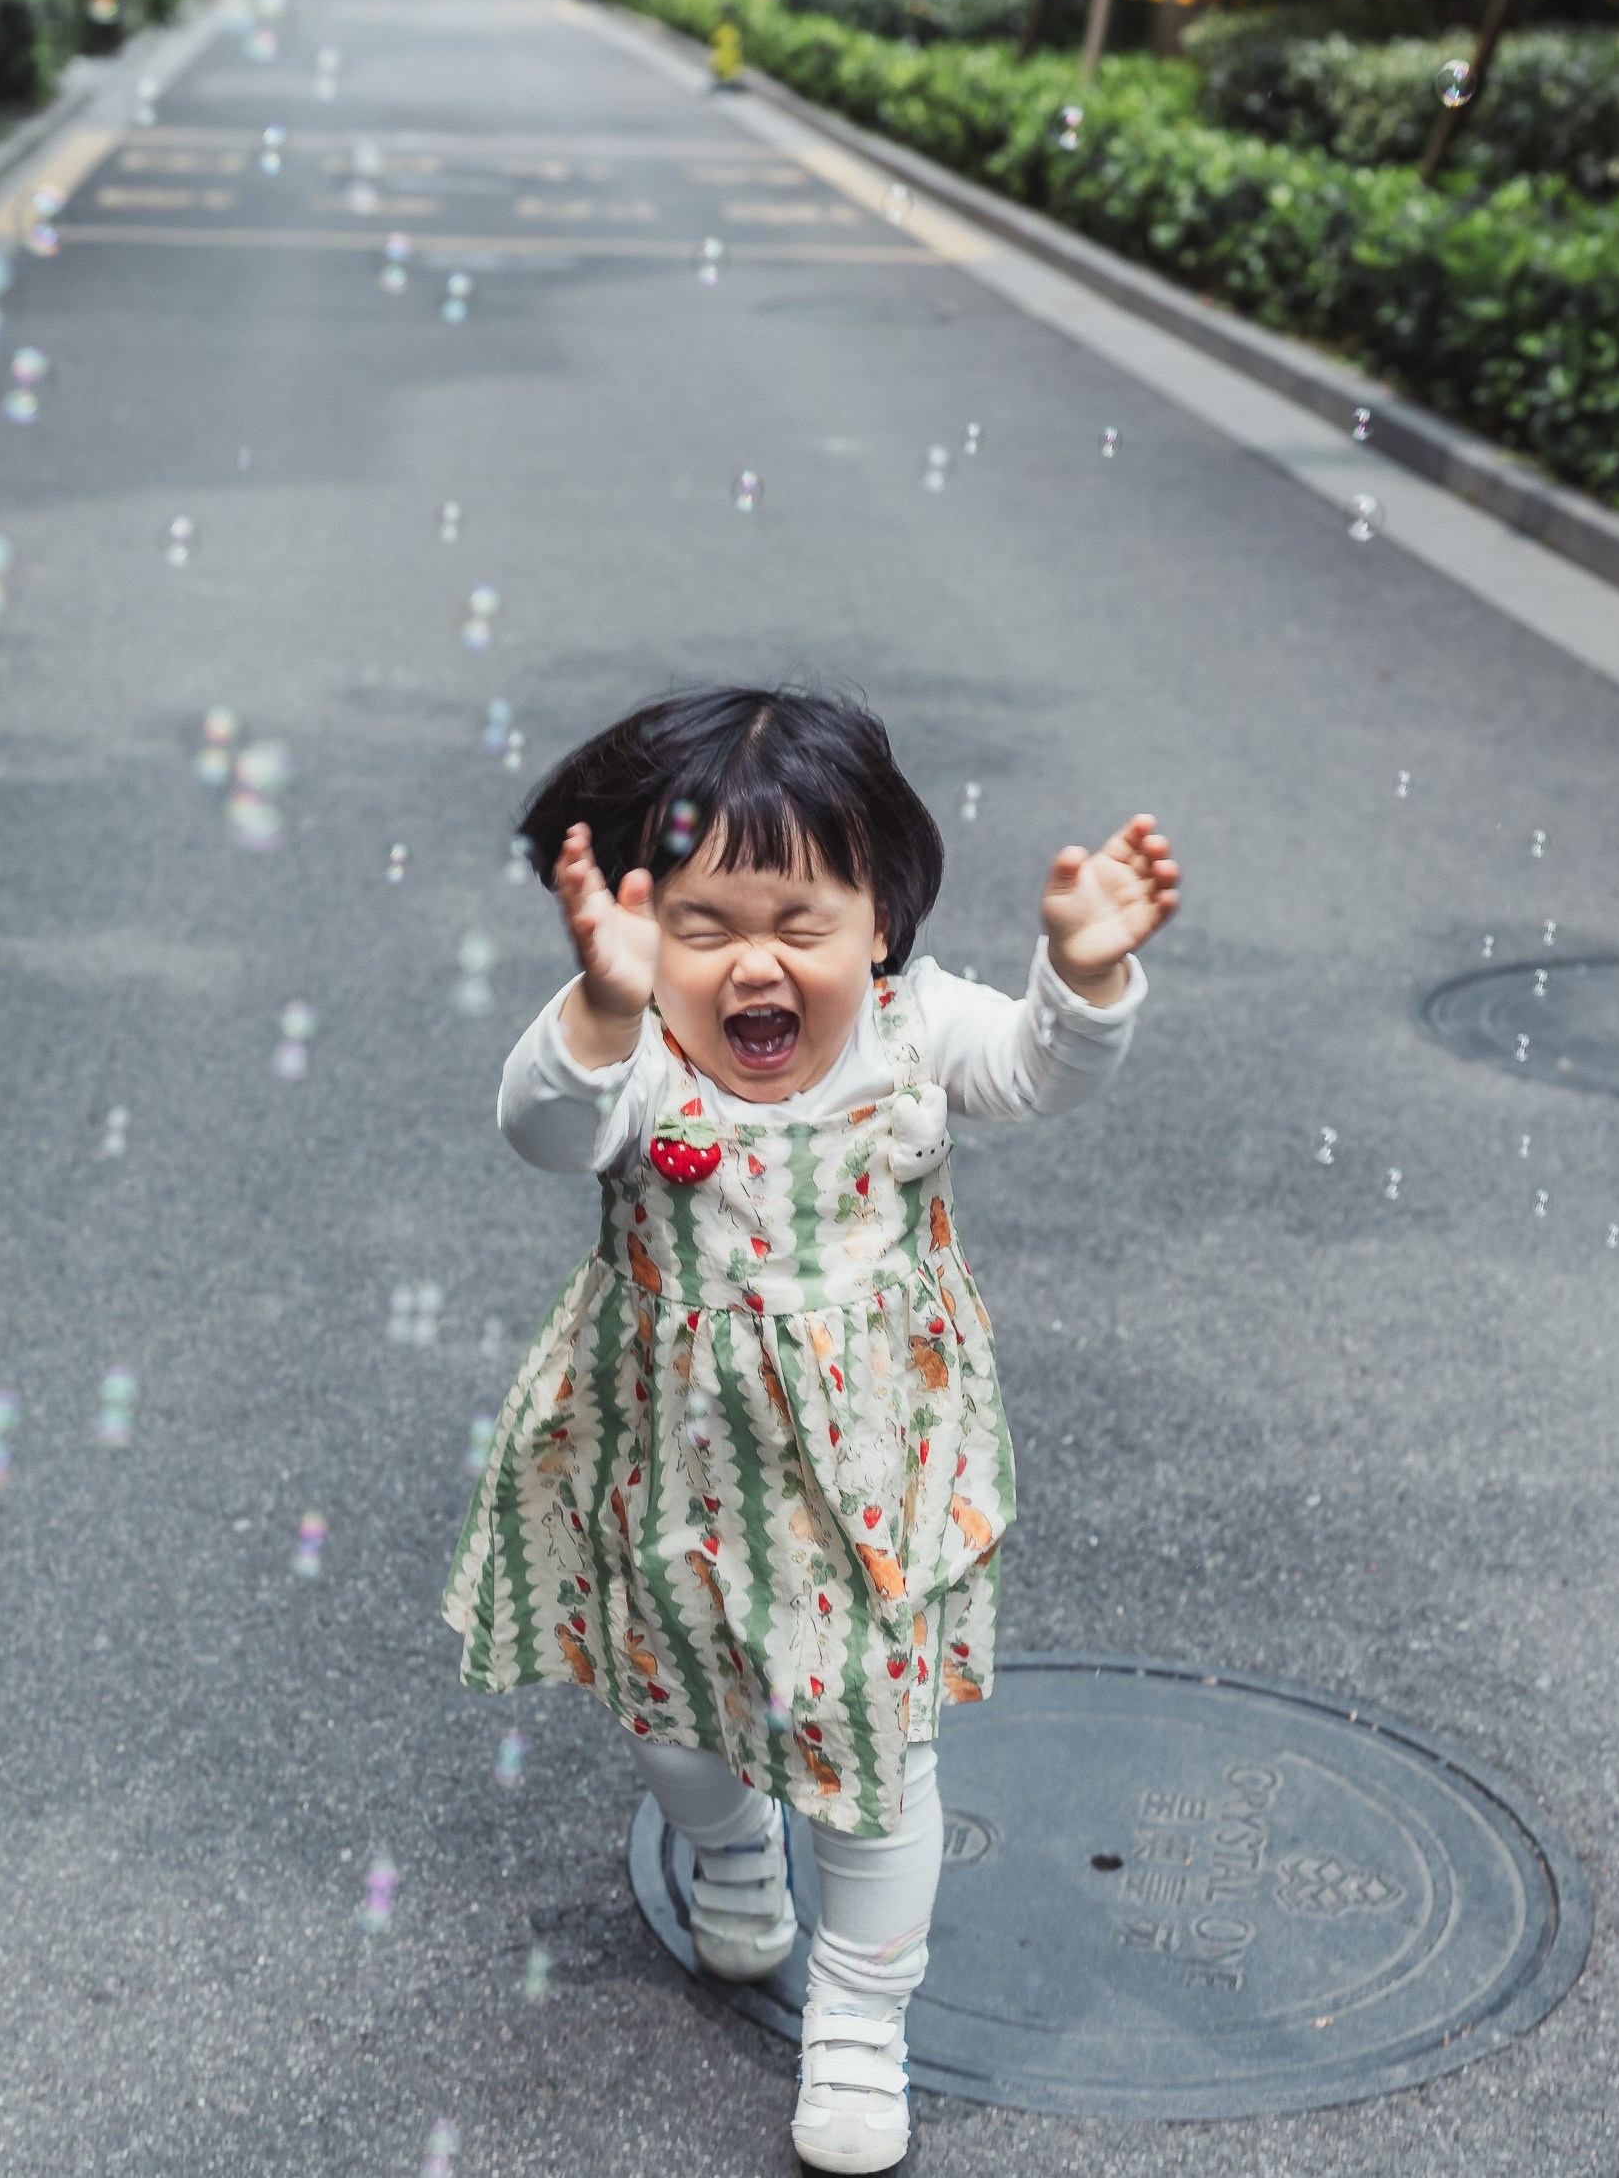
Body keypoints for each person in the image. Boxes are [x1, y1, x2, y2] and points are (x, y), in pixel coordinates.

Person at [444, 685, 1178, 2174]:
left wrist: (1080, 985)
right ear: (645, 938)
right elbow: (538, 1127)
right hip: (670, 1476)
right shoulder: (631, 1054)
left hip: (868, 1489)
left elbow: (1038, 1074)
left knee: (876, 1757)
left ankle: (858, 2019)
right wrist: (599, 1001)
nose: (754, 964)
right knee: (667, 1718)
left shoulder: (918, 1030)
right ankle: (725, 1855)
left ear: (882, 923)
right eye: (703, 928)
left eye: (803, 920)